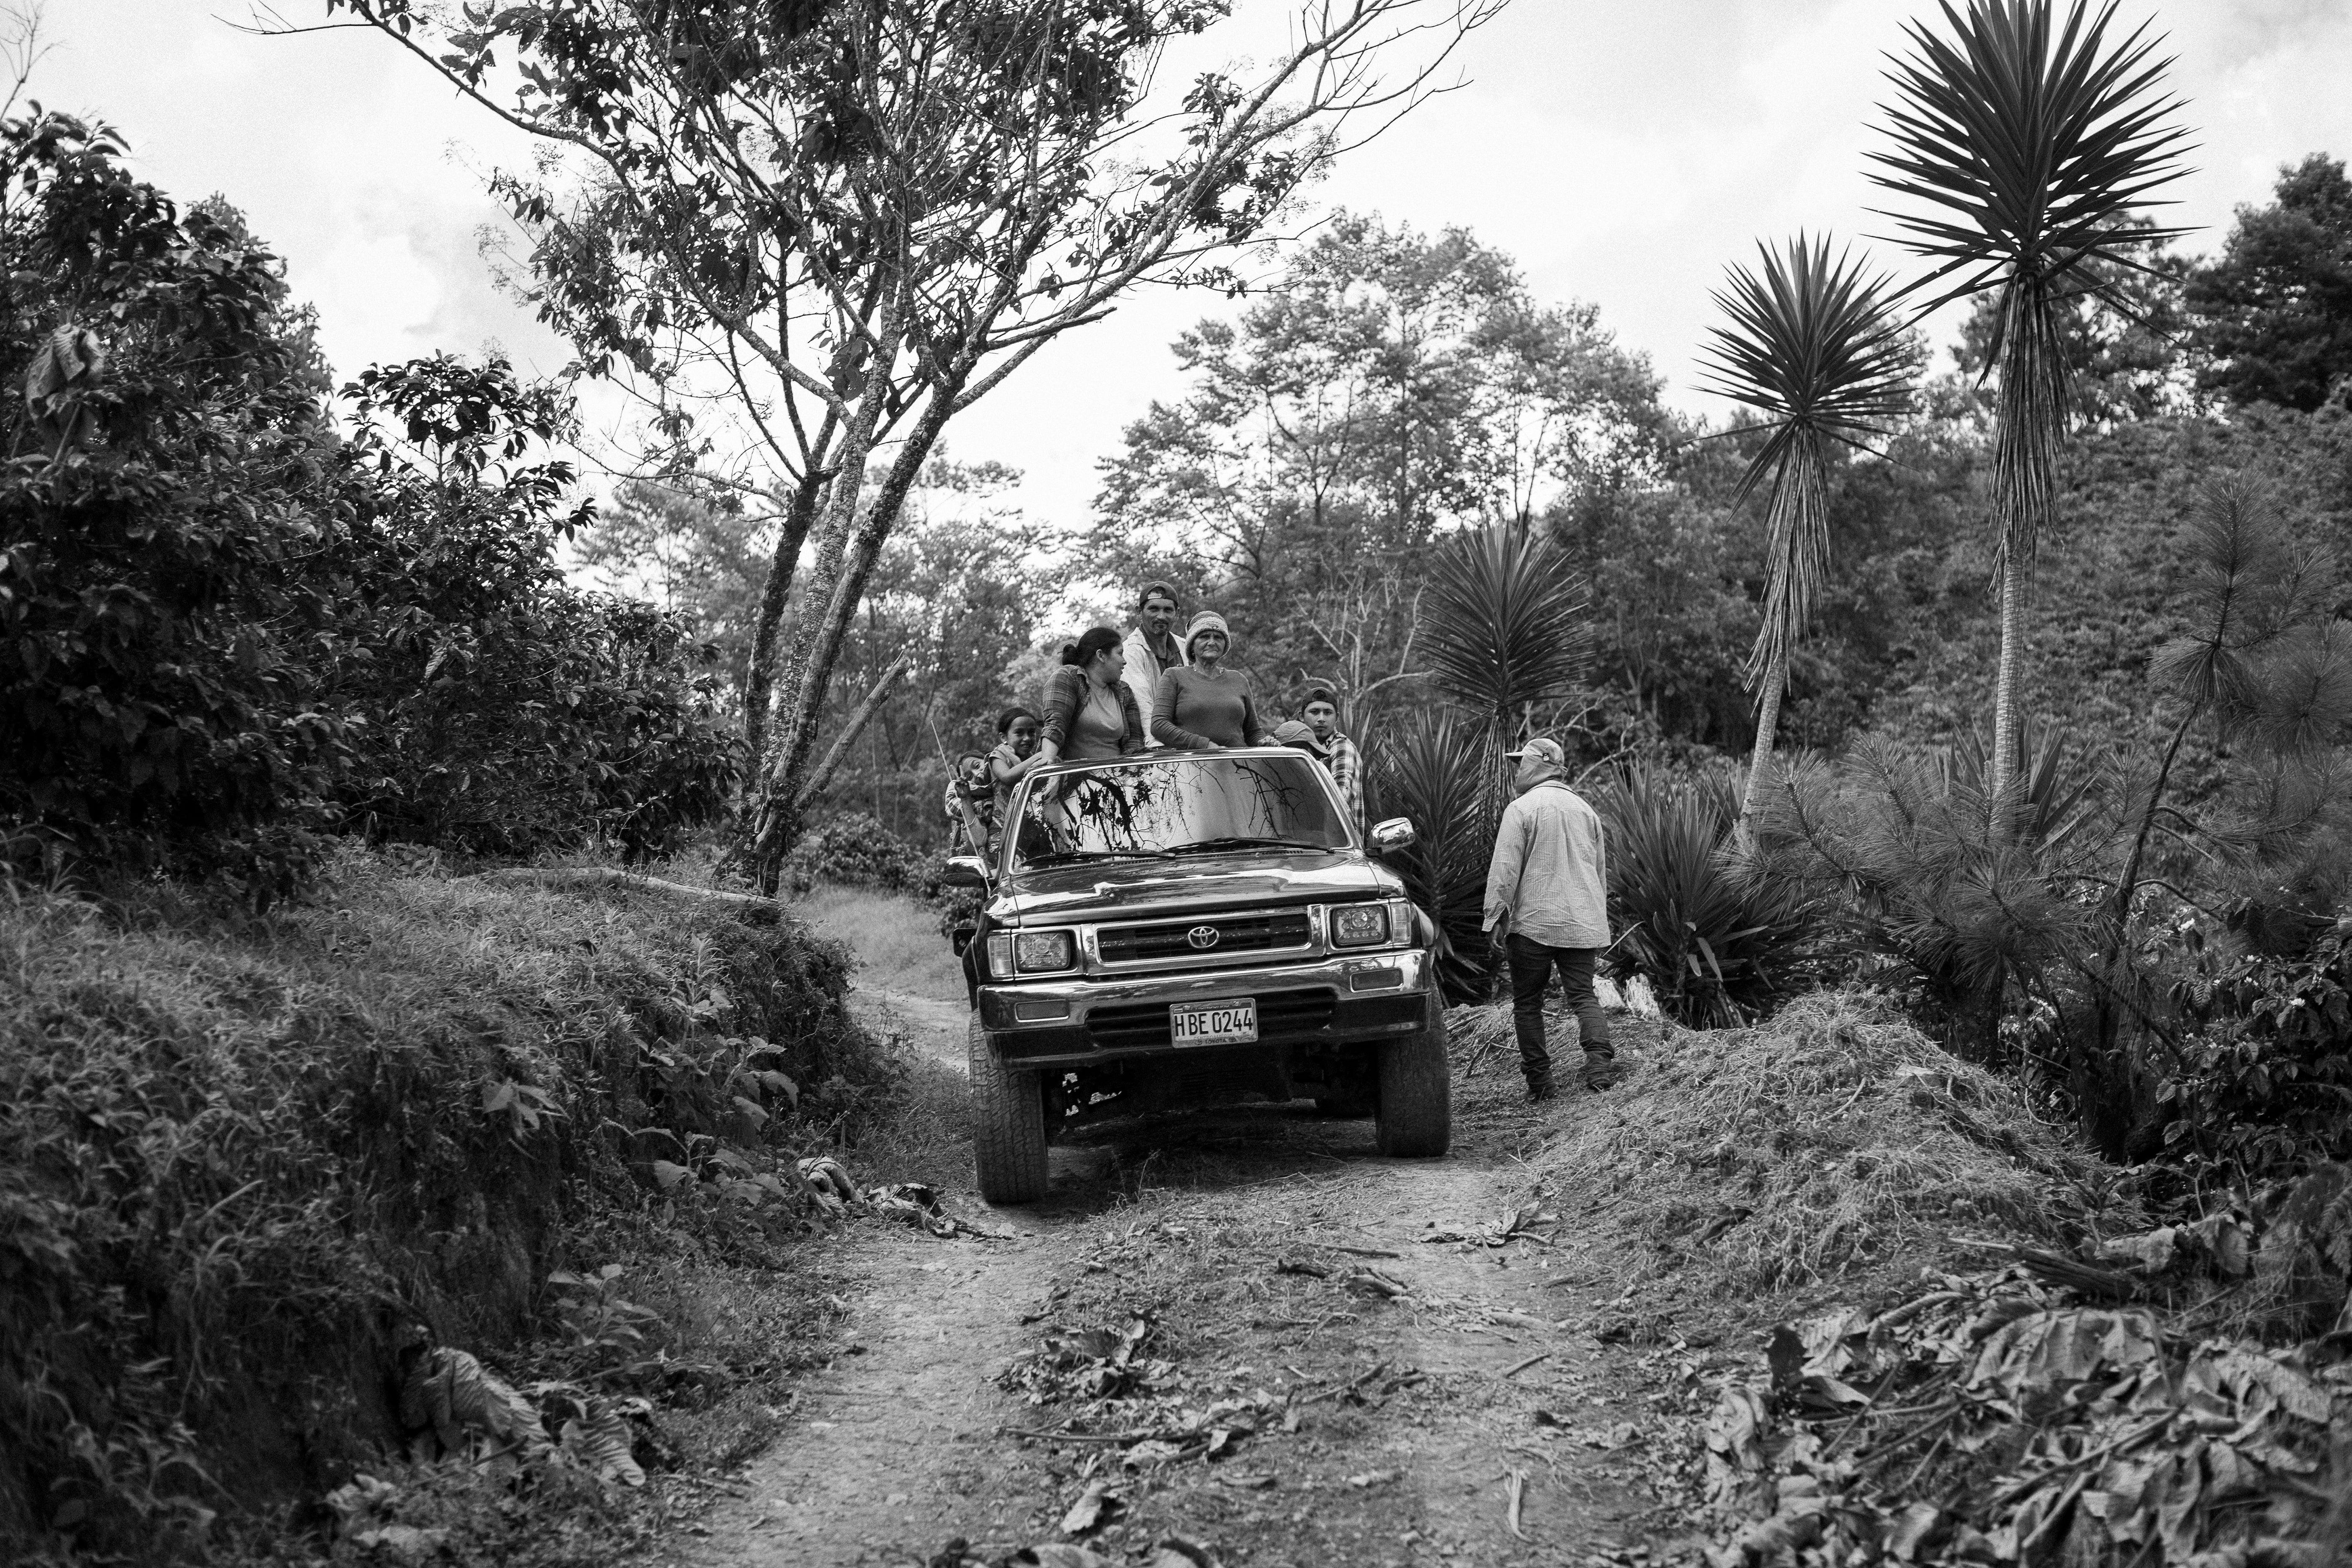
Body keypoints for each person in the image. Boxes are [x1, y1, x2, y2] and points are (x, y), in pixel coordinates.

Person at [1481, 736, 1621, 1101]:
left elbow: (1505, 868)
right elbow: (1599, 873)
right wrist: (1596, 917)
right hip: (1580, 921)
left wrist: (1495, 915)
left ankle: (1542, 1084)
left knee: (1527, 1002)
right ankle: (1600, 1069)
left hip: (1534, 923)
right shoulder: (1585, 809)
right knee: (1583, 995)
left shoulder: (1522, 808)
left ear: (1536, 765)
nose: (1517, 771)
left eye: (1521, 763)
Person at [1151, 611, 1270, 750]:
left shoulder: (1238, 679)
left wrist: (1263, 742)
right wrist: (1205, 745)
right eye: (1204, 637)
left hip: (1236, 763)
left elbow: (1253, 732)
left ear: (1225, 645)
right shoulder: (1174, 676)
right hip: (1191, 764)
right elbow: (1159, 725)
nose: (1212, 642)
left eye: (1218, 638)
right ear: (1192, 644)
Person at [1037, 628, 1147, 763]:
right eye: (1120, 654)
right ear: (1101, 656)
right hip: (1073, 777)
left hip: (1117, 777)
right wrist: (1048, 760)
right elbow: (1055, 724)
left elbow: (1134, 742)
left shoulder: (1124, 692)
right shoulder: (1069, 677)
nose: (1124, 661)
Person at [1121, 582, 1186, 744]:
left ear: (1177, 614)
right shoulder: (1130, 651)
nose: (1161, 617)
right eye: (1154, 609)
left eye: (1168, 610)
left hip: (1189, 741)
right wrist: (1155, 745)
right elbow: (1143, 706)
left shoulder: (1185, 647)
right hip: (1156, 745)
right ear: (1139, 612)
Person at [1300, 687, 1364, 832]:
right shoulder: (1299, 750)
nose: (1321, 719)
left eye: (1328, 713)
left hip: (1338, 845)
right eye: (1315, 712)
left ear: (1337, 717)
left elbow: (1340, 796)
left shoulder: (1342, 747)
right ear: (1301, 717)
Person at [987, 706, 1045, 819]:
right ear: (1004, 738)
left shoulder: (1029, 757)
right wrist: (1039, 757)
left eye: (1032, 733)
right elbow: (1007, 777)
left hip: (1027, 820)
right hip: (1002, 827)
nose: (1027, 738)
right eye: (1019, 733)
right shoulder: (998, 756)